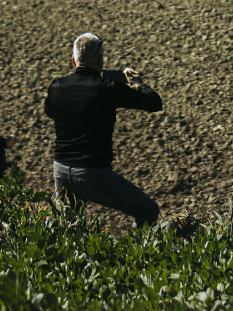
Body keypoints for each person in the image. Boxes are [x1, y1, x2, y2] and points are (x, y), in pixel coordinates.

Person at [45, 33, 163, 226]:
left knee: (69, 229)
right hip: (92, 172)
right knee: (148, 210)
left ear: (73, 60)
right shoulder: (106, 89)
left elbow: (51, 113)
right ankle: (136, 253)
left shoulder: (56, 86)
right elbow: (154, 103)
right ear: (100, 59)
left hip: (61, 169)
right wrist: (138, 84)